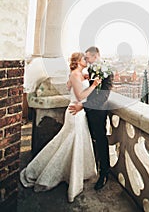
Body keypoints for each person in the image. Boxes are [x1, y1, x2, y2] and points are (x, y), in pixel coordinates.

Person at [20, 52, 102, 203]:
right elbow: (81, 96)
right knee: (71, 142)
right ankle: (67, 175)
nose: (86, 60)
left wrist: (84, 79)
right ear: (78, 61)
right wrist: (94, 85)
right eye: (84, 58)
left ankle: (73, 172)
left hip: (74, 111)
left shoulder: (76, 74)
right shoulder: (76, 75)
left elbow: (68, 86)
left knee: (70, 142)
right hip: (75, 113)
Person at [69, 46, 113, 190]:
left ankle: (104, 173)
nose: (86, 60)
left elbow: (103, 97)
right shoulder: (91, 70)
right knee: (88, 141)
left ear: (96, 56)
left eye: (88, 58)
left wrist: (83, 106)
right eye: (85, 58)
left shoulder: (107, 70)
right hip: (86, 112)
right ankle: (89, 169)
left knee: (101, 141)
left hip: (99, 112)